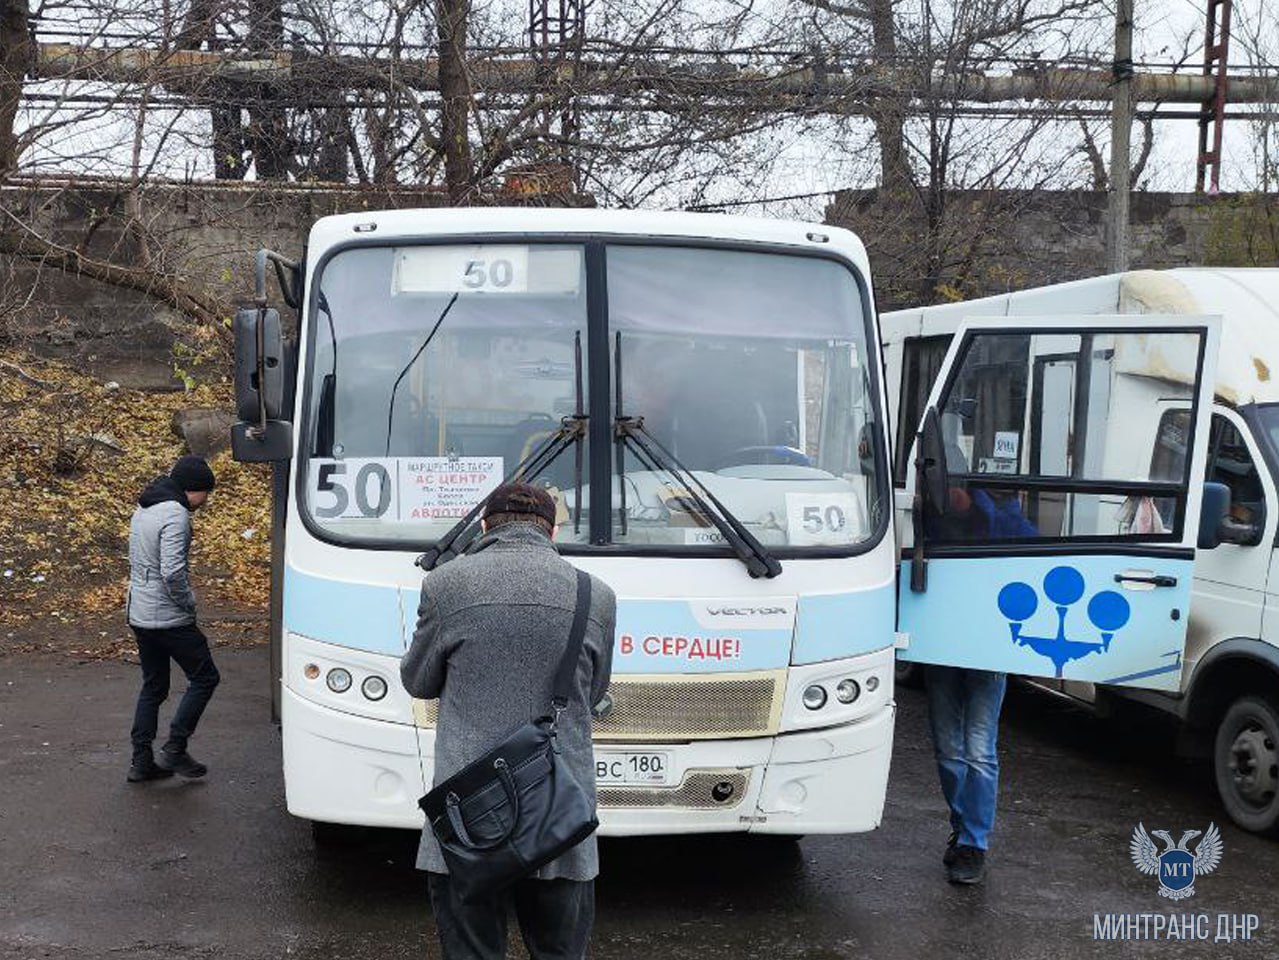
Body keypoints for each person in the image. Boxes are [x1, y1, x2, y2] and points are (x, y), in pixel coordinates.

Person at [401, 482, 615, 960]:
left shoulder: (445, 585)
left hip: (469, 817)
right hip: (559, 813)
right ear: (553, 529)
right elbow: (594, 691)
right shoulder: (594, 595)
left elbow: (418, 681)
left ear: (484, 527)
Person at [927, 484, 1033, 885]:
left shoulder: (1003, 517)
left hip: (988, 646)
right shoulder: (929, 516)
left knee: (978, 749)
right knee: (948, 749)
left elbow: (1036, 551)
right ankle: (963, 827)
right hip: (941, 642)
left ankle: (974, 843)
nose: (947, 491)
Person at [125, 454, 220, 783]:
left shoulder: (145, 507)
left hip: (139, 612)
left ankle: (141, 761)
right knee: (205, 677)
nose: (206, 501)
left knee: (153, 686)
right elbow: (173, 571)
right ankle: (176, 747)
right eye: (205, 493)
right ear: (193, 489)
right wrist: (188, 603)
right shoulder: (176, 514)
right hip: (168, 616)